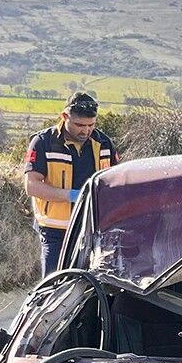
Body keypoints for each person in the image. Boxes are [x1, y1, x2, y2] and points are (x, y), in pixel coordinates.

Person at [23, 93, 119, 275]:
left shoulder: (104, 143)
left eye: (91, 125)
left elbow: (115, 181)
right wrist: (74, 195)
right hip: (55, 231)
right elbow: (32, 186)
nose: (86, 131)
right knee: (53, 286)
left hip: (93, 228)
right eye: (80, 125)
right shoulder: (43, 142)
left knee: (91, 287)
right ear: (65, 117)